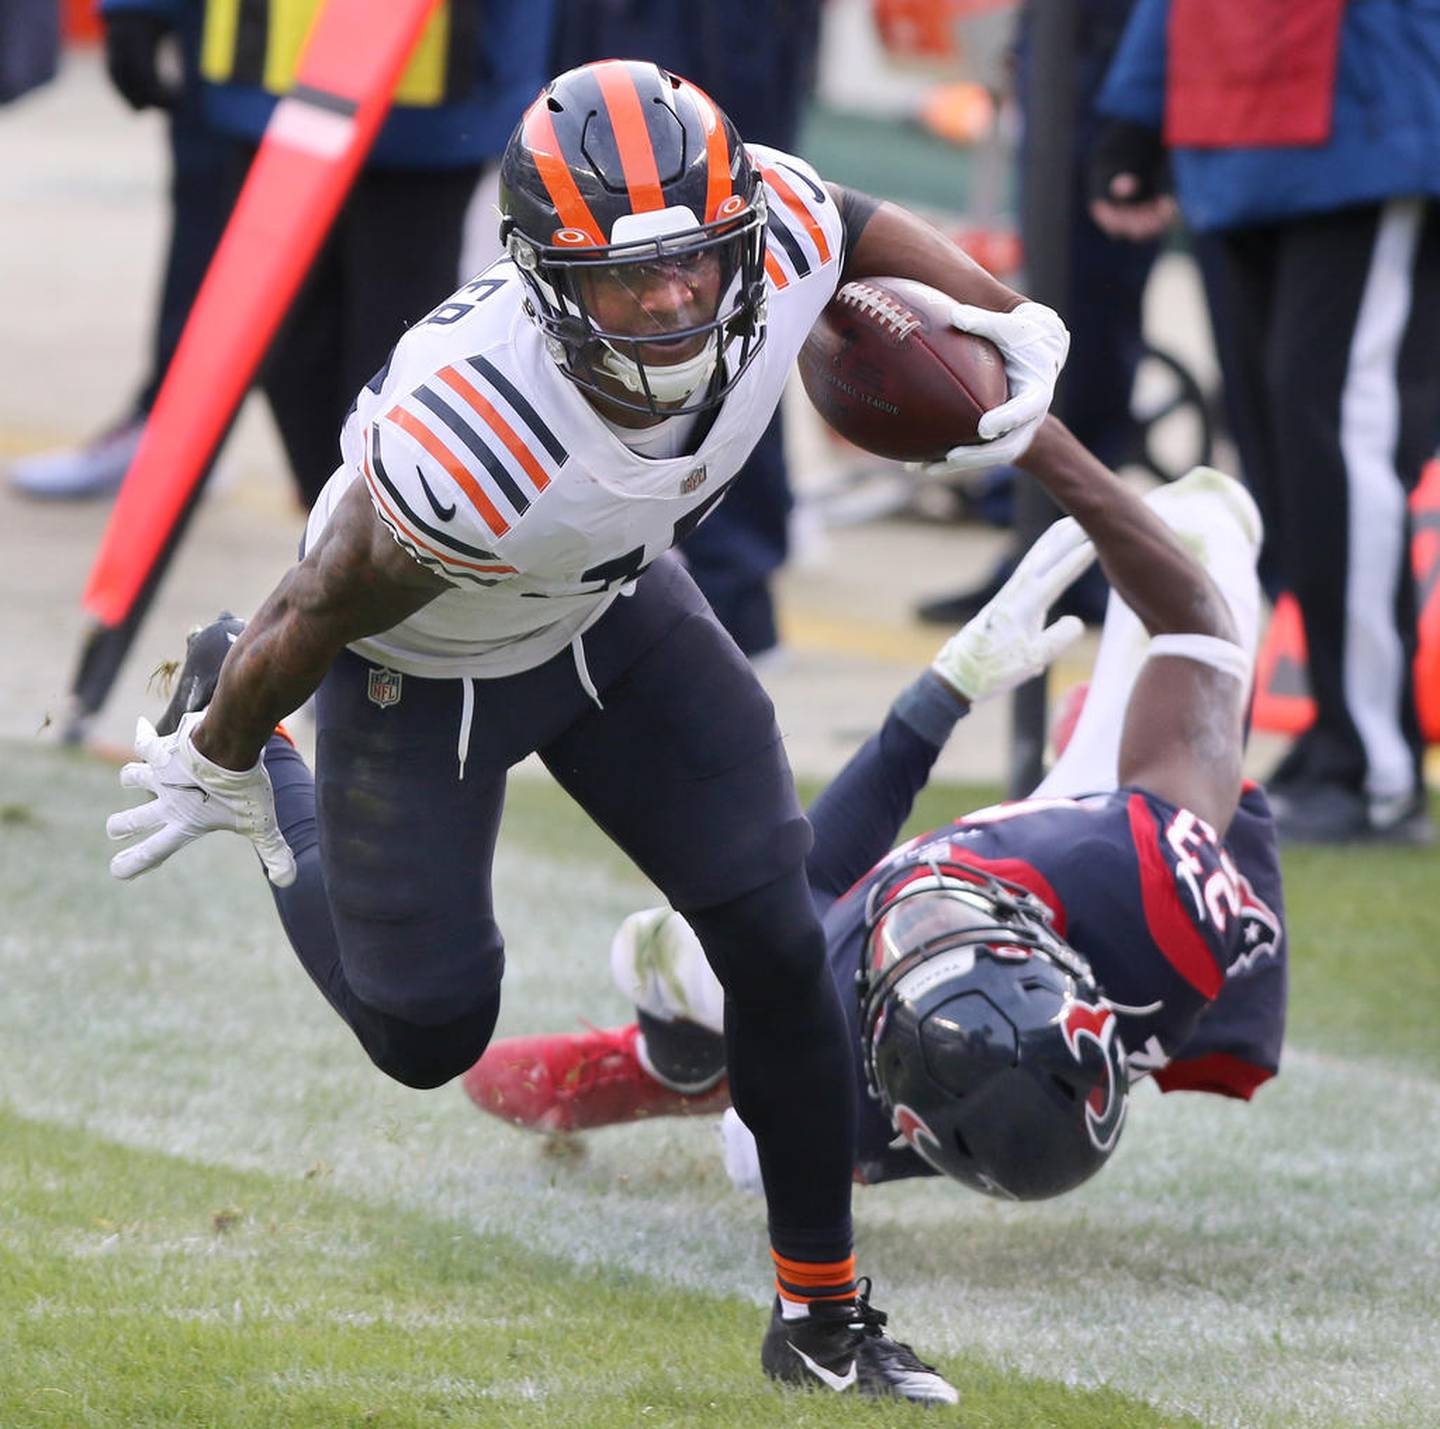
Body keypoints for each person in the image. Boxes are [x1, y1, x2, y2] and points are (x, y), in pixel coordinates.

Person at [104, 60, 1069, 1403]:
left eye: (694, 263)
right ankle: (279, 795)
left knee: (779, 941)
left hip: (608, 608)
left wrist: (1002, 314)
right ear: (548, 279)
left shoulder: (767, 237)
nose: (674, 301)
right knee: (428, 1032)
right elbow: (315, 601)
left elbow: (837, 215)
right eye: (627, 280)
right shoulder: (473, 437)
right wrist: (219, 739)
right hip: (419, 661)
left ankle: (823, 1316)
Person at [466, 437, 1287, 1204]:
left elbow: (815, 876)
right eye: (948, 930)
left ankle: (680, 1060)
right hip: (1104, 861)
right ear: (1048, 952)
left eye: (913, 941)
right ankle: (1085, 768)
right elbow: (1196, 626)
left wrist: (937, 698)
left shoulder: (844, 1097)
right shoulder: (1148, 883)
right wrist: (1042, 443)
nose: (915, 919)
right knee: (1209, 516)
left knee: (664, 961)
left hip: (834, 1053)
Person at [1089, 0, 1440, 844]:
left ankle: (1373, 762)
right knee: (1286, 458)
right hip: (1232, 131)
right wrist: (1136, 112)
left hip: (1372, 114)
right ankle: (1337, 739)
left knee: (1337, 445)